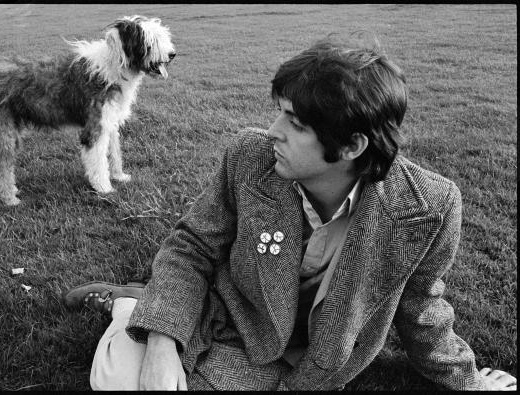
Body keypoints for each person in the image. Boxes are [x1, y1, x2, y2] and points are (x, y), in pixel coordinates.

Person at [63, 34, 517, 391]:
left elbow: (422, 306)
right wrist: (161, 341)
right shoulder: (250, 156)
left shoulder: (428, 207)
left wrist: (471, 381)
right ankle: (132, 308)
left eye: (295, 124)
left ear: (351, 145)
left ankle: (138, 303)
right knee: (120, 381)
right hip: (231, 322)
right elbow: (192, 246)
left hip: (311, 363)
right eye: (279, 113)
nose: (273, 131)